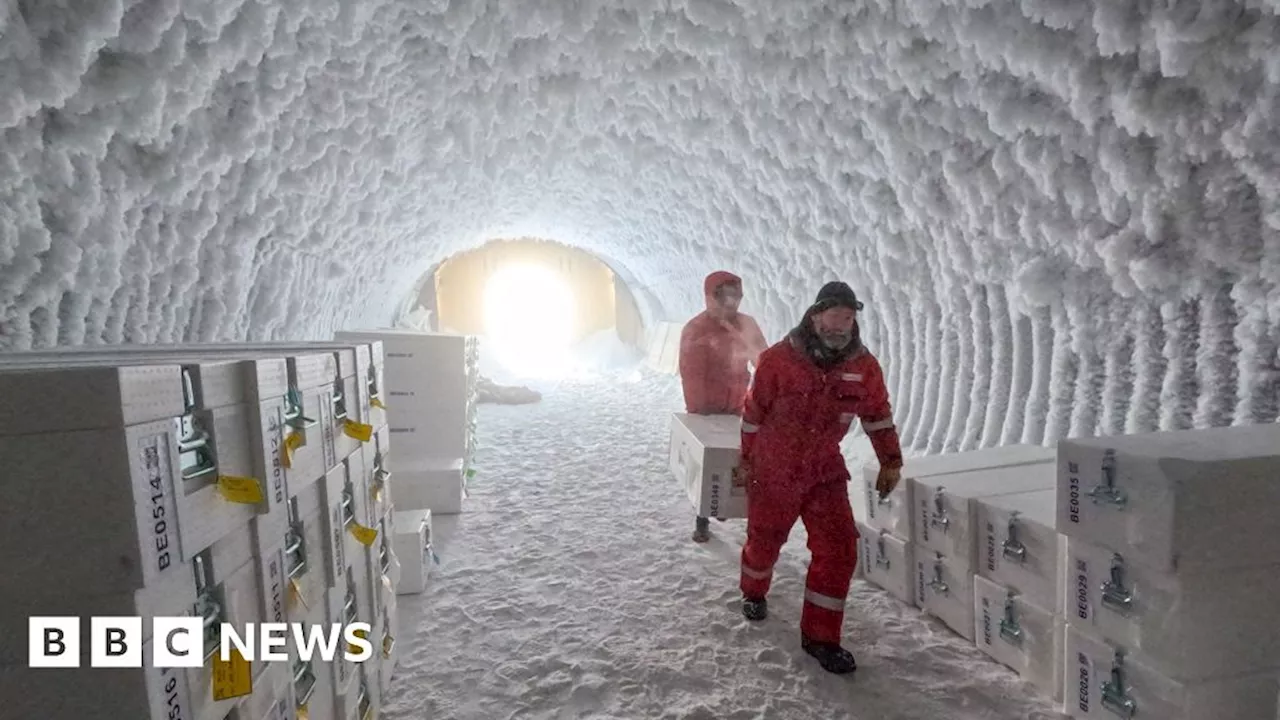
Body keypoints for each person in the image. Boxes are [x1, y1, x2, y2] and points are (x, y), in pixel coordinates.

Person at [735, 281, 903, 674]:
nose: (840, 325)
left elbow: (877, 415)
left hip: (823, 470)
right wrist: (746, 460)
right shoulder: (778, 360)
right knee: (765, 540)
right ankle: (753, 590)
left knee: (840, 548)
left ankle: (821, 638)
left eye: (848, 318)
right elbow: (753, 413)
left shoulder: (863, 367)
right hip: (774, 467)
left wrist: (890, 460)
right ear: (815, 316)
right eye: (833, 316)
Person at [678, 270, 768, 543]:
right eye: (724, 295)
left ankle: (730, 507)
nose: (731, 302)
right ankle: (702, 517)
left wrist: (764, 397)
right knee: (708, 463)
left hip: (739, 405)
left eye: (735, 295)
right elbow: (692, 374)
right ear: (712, 297)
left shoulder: (746, 325)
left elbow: (763, 361)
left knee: (741, 460)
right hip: (707, 409)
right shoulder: (696, 329)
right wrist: (699, 413)